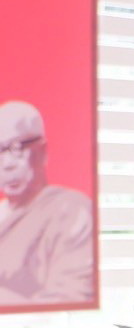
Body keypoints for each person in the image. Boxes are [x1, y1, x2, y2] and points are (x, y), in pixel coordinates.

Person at [0, 100, 95, 307]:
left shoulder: (70, 211)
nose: (7, 164)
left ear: (43, 151)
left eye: (16, 148)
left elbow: (71, 297)